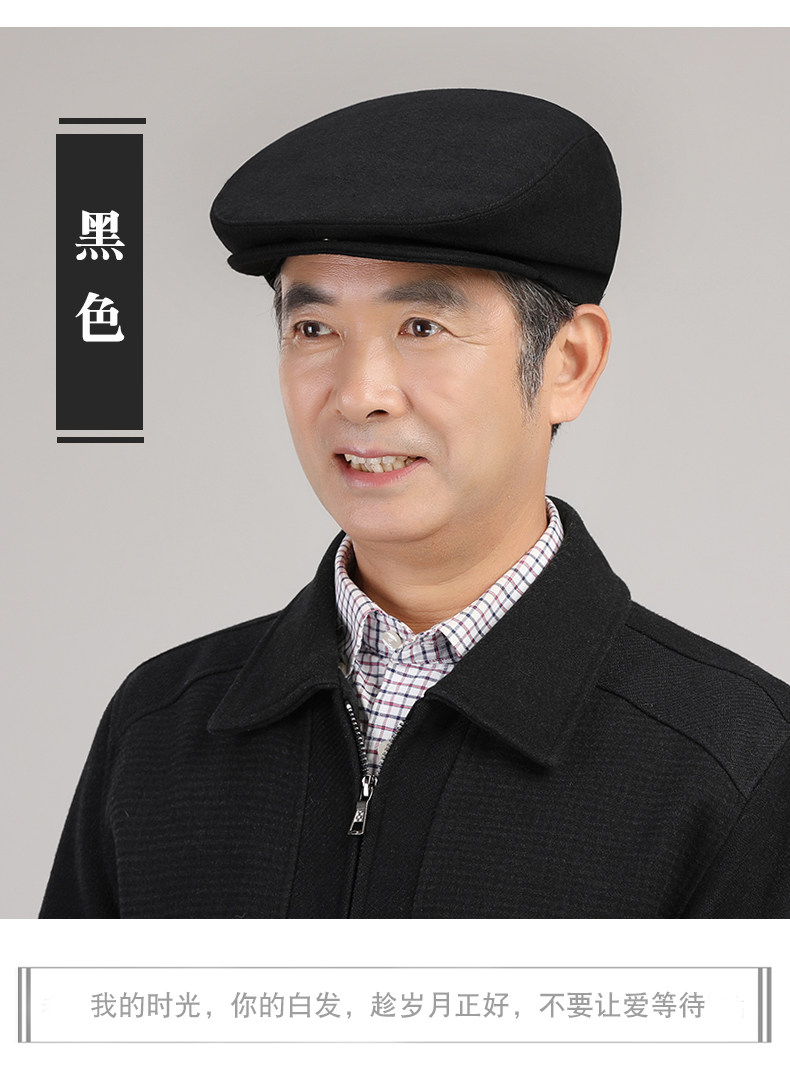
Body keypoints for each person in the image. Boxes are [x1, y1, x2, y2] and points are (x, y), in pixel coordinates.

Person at [40, 88, 790, 919]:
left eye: (422, 327)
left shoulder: (739, 760)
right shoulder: (159, 727)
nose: (359, 394)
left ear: (568, 363)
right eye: (313, 330)